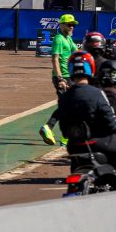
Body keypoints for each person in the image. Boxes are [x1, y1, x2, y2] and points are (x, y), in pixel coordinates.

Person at [56, 51, 116, 189]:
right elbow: (110, 122)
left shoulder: (64, 97)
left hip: (74, 146)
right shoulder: (97, 93)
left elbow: (63, 127)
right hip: (98, 142)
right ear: (91, 69)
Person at [40, 13, 80, 145]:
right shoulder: (58, 39)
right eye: (69, 25)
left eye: (73, 25)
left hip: (70, 76)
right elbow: (55, 59)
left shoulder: (68, 38)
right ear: (61, 25)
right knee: (67, 106)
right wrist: (60, 78)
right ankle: (51, 128)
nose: (71, 27)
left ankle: (63, 136)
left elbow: (78, 52)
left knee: (69, 106)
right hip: (63, 77)